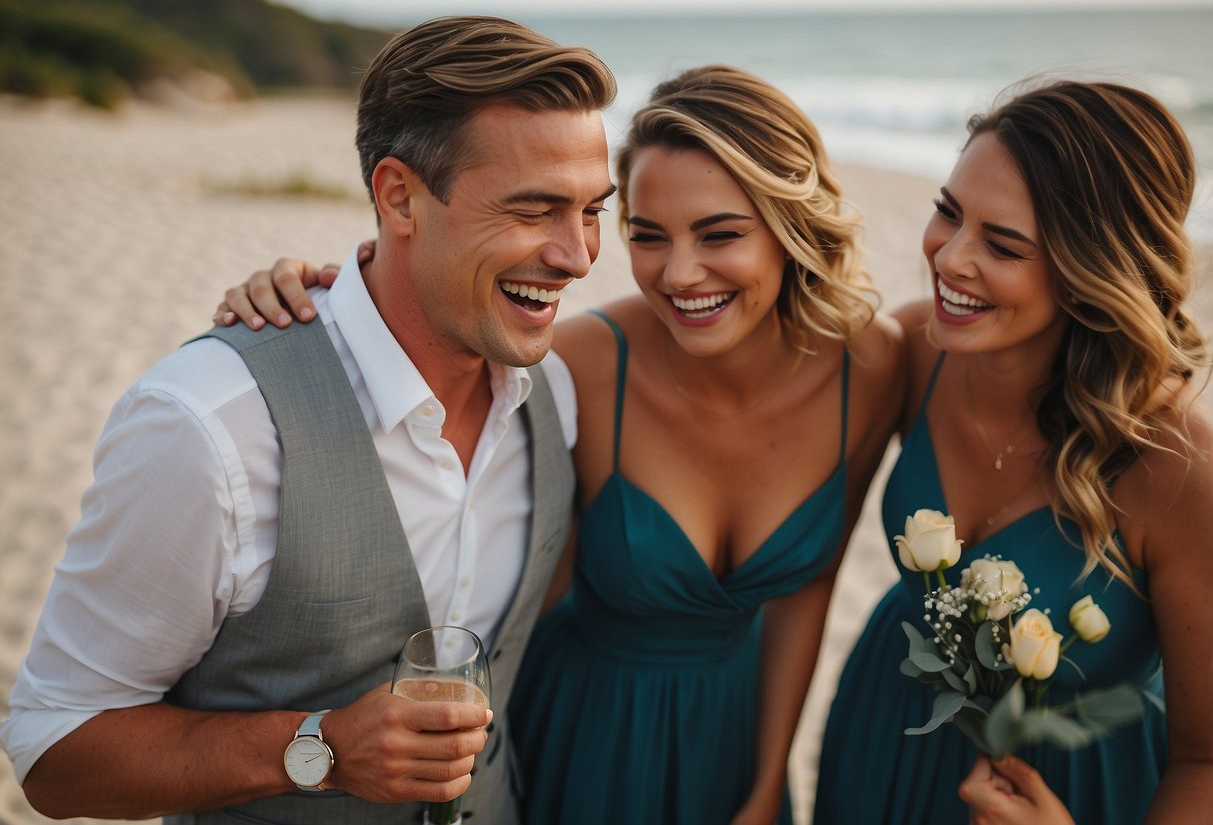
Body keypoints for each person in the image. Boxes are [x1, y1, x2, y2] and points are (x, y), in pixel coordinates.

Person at [215, 65, 905, 823]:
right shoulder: (574, 361)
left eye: (720, 234)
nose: (678, 275)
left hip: (734, 738)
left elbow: (810, 587)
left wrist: (768, 780)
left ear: (789, 227)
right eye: (646, 235)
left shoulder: (869, 367)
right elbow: (422, 329)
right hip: (579, 731)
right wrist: (303, 290)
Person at [0, 16, 616, 823]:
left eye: (594, 210)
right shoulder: (210, 426)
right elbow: (54, 753)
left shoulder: (559, 395)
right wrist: (319, 748)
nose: (575, 256)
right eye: (533, 210)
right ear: (398, 196)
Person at [814, 80, 1213, 823]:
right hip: (885, 731)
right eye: (947, 212)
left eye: (1001, 245)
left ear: (1093, 271)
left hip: (1074, 790)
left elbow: (1206, 757)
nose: (950, 258)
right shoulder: (916, 357)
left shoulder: (1177, 466)